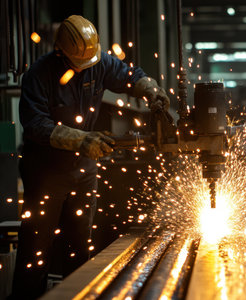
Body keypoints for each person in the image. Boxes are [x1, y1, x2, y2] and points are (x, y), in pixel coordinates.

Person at [11, 15, 170, 299]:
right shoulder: (39, 74)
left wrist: (151, 91)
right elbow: (35, 124)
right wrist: (81, 139)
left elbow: (130, 76)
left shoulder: (99, 62)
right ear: (61, 52)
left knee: (79, 245)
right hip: (44, 171)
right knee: (36, 248)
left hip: (83, 168)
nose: (84, 68)